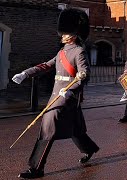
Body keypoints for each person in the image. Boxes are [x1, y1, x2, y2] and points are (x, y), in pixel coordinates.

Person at [12, 8, 99, 179]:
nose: (62, 36)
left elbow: (84, 74)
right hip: (56, 96)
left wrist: (70, 91)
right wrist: (26, 73)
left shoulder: (79, 51)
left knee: (47, 128)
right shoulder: (61, 52)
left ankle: (36, 168)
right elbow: (46, 65)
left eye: (65, 33)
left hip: (67, 98)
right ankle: (89, 149)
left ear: (73, 34)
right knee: (76, 129)